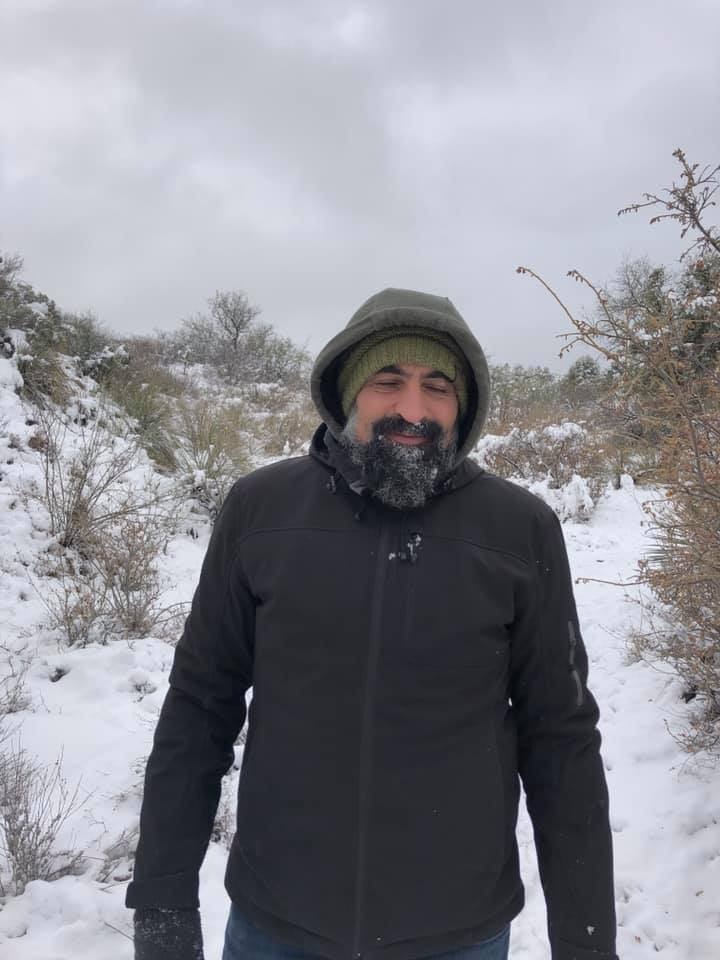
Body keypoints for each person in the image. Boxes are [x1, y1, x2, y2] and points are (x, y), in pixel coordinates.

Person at [127, 288, 618, 960]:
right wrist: (162, 901)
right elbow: (198, 709)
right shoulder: (260, 510)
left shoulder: (519, 530)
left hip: (457, 932)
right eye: (389, 381)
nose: (413, 409)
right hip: (277, 923)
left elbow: (560, 739)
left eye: (437, 386)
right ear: (348, 391)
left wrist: (587, 940)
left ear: (464, 406)